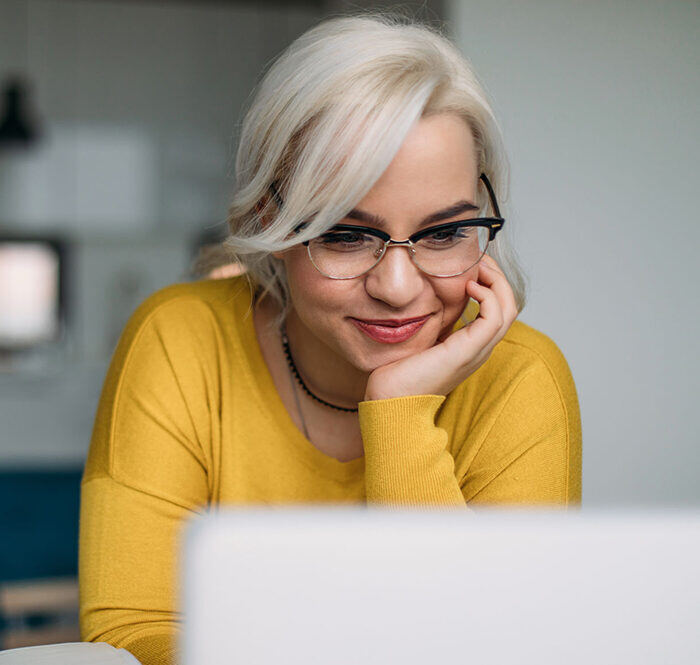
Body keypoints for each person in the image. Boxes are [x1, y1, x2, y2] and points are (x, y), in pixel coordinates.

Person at [79, 13, 582, 665]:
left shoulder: (523, 379)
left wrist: (400, 409)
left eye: (443, 233)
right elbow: (132, 631)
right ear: (273, 223)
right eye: (346, 235)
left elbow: (501, 650)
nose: (399, 287)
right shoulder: (180, 339)